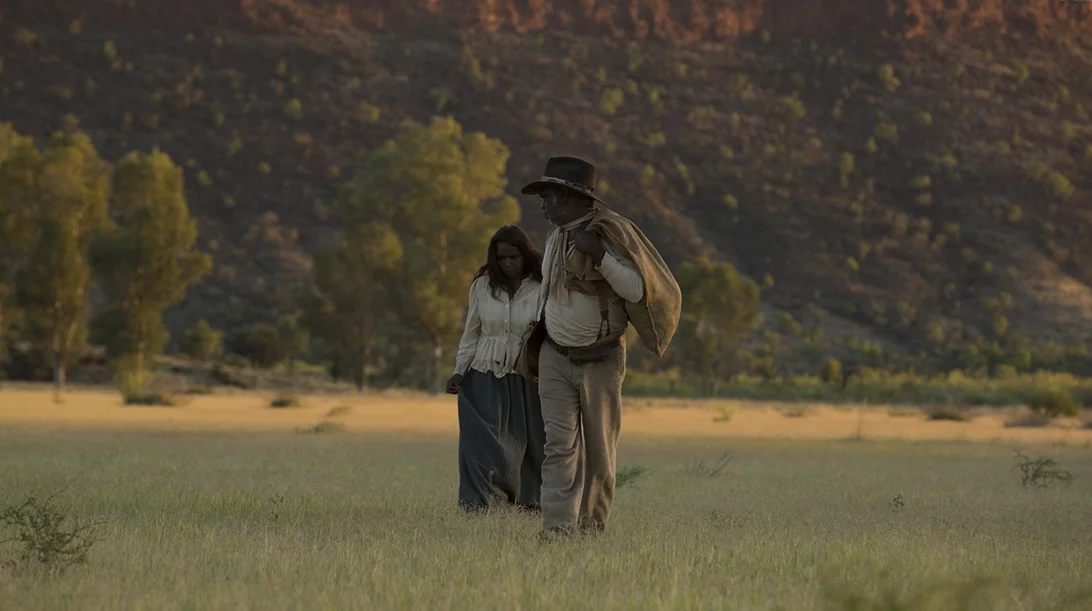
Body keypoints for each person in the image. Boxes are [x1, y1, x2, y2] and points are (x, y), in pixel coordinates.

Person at [517, 156, 681, 540]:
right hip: (555, 354)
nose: (543, 206)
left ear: (567, 196)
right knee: (558, 446)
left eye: (548, 197)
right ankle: (556, 530)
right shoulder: (555, 237)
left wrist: (601, 256)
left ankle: (592, 530)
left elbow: (637, 290)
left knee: (600, 452)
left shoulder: (608, 232)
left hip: (601, 359)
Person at [446, 225, 547, 513]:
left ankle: (531, 504)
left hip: (527, 376)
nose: (507, 263)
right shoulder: (482, 286)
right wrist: (459, 371)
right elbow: (471, 333)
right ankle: (481, 505)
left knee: (531, 444)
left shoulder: (541, 286)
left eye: (513, 257)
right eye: (501, 258)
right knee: (482, 443)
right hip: (484, 373)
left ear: (524, 255)